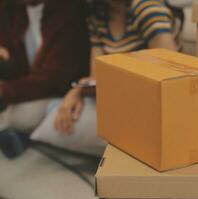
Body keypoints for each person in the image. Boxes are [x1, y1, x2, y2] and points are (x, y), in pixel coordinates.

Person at [53, 0, 178, 135]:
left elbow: (172, 78)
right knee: (56, 110)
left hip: (150, 109)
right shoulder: (99, 15)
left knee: (54, 116)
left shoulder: (147, 9)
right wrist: (76, 92)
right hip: (116, 101)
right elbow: (96, 79)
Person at [0, 0, 90, 158]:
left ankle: (19, 131)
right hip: (29, 89)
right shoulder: (12, 9)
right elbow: (15, 65)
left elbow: (53, 78)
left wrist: (3, 92)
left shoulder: (67, 10)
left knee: (21, 114)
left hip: (60, 93)